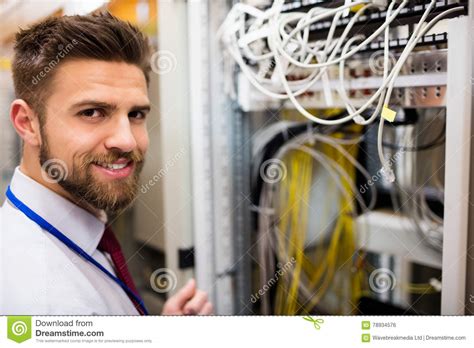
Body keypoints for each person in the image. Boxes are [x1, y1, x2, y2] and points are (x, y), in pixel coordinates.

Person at [0, 12, 213, 316]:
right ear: (27, 123)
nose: (127, 141)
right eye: (92, 112)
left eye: (136, 114)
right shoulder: (44, 300)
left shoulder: (76, 231)